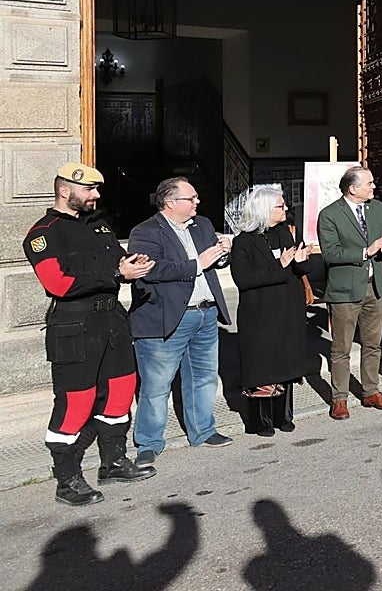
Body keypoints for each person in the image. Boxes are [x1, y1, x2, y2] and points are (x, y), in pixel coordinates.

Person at [23, 162, 158, 506]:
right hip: (74, 326)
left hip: (112, 320)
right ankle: (67, 480)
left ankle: (113, 463)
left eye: (97, 189)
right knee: (76, 402)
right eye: (89, 189)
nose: (96, 195)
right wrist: (116, 274)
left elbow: (118, 260)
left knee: (120, 392)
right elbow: (58, 283)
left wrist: (134, 264)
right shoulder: (43, 233)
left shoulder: (99, 225)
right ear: (64, 190)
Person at [128, 176, 234, 466]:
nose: (197, 202)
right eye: (191, 198)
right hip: (166, 317)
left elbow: (214, 262)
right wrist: (198, 263)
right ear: (171, 202)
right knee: (157, 384)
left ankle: (203, 430)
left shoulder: (203, 225)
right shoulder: (146, 232)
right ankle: (149, 442)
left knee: (204, 377)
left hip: (205, 313)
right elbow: (151, 270)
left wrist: (223, 253)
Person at [316, 165, 382, 419]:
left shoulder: (376, 208)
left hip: (375, 287)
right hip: (345, 290)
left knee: (373, 343)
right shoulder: (330, 215)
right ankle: (339, 398)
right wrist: (366, 251)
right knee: (341, 348)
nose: (374, 186)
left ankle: (371, 391)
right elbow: (330, 253)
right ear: (352, 189)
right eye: (369, 183)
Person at [230, 187, 312, 436]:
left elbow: (298, 269)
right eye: (280, 206)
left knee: (286, 362)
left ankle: (283, 415)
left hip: (288, 310)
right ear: (264, 209)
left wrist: (301, 261)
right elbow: (243, 279)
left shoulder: (284, 232)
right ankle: (260, 421)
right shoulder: (243, 241)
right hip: (261, 314)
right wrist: (281, 264)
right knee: (262, 365)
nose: (285, 209)